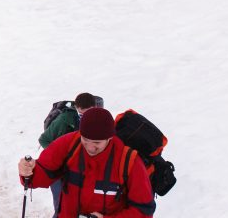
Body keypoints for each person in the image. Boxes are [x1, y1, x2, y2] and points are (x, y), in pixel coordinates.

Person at [18, 108, 155, 218]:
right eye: (86, 139)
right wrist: (28, 171)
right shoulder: (69, 144)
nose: (90, 147)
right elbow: (41, 174)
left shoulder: (129, 161)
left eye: (97, 143)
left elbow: (143, 212)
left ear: (110, 138)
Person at [38, 93, 104, 211]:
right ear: (76, 108)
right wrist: (58, 156)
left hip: (80, 171)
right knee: (61, 207)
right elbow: (44, 139)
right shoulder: (64, 119)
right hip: (60, 170)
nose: (85, 117)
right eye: (81, 114)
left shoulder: (98, 120)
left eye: (88, 113)